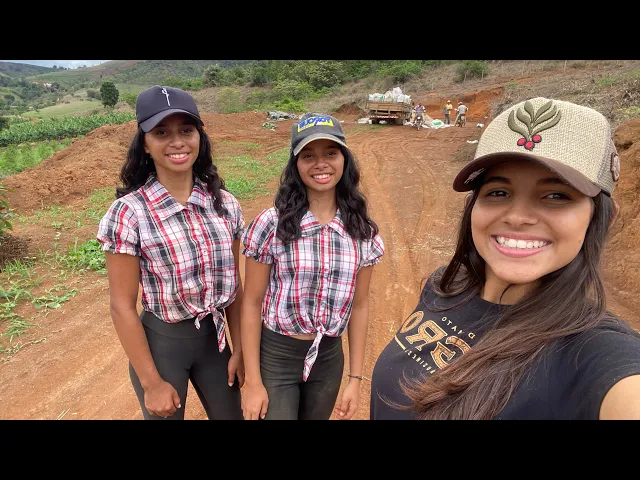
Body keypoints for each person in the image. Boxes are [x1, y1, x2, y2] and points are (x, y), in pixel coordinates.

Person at [370, 97, 640, 420]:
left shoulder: (595, 354)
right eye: (498, 192)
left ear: (604, 219)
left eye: (556, 195)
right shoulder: (445, 286)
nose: (517, 217)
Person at [96, 86, 245, 420]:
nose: (177, 142)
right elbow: (121, 306)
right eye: (161, 133)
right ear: (145, 144)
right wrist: (151, 383)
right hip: (162, 347)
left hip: (216, 343)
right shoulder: (129, 213)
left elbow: (235, 287)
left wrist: (240, 350)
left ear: (200, 137)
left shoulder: (224, 205)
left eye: (186, 131)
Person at [240, 112, 384, 420]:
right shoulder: (272, 223)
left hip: (328, 359)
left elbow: (360, 305)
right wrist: (252, 382)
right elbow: (251, 303)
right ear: (295, 165)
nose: (321, 163)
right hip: (276, 355)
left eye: (330, 153)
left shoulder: (362, 231)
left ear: (344, 160)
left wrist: (355, 379)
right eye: (308, 156)